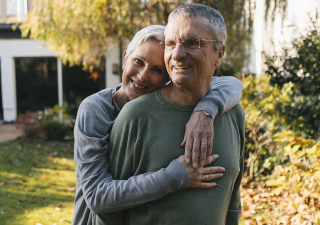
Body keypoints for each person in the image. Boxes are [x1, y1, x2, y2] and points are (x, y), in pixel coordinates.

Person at [73, 25, 243, 224]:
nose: (143, 75)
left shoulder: (157, 111)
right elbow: (97, 196)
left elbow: (231, 84)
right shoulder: (95, 109)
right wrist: (175, 176)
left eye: (157, 70)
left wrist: (204, 111)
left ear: (168, 78)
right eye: (138, 61)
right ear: (125, 57)